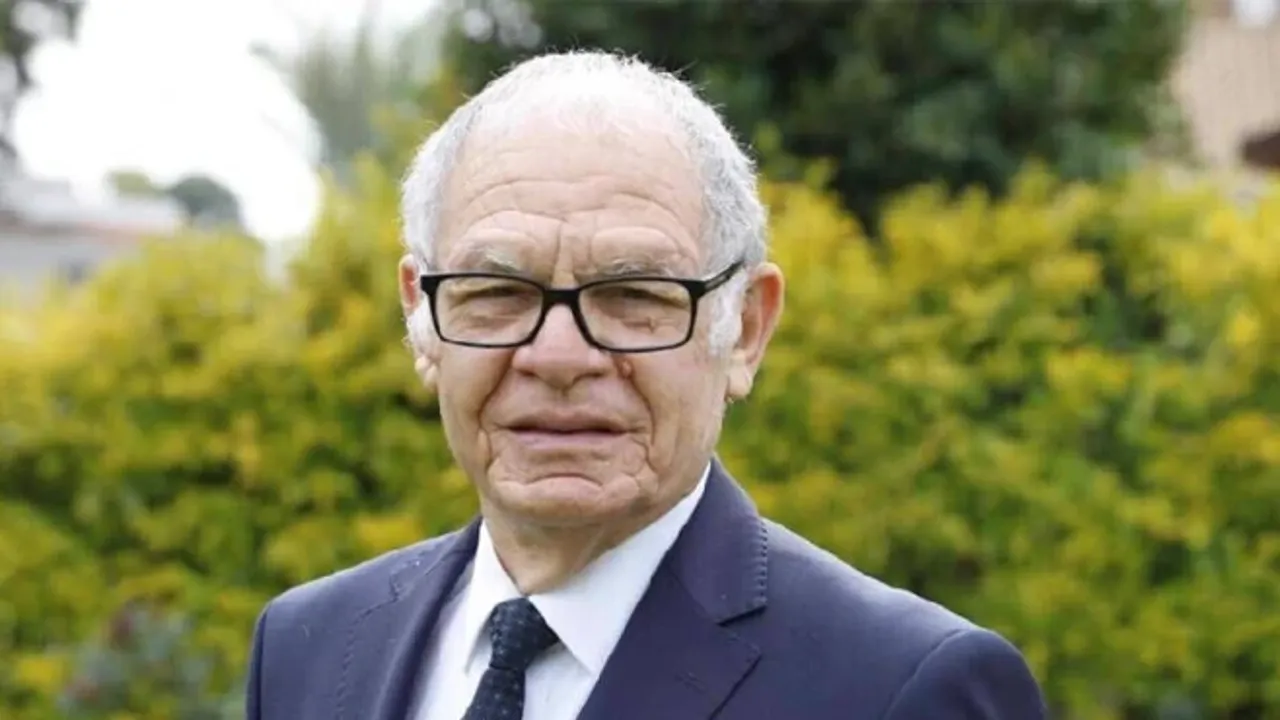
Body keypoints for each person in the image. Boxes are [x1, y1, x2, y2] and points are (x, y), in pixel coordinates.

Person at [244, 50, 1047, 720]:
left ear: (746, 329)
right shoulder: (307, 649)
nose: (558, 356)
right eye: (500, 291)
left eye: (632, 296)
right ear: (421, 316)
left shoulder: (899, 689)